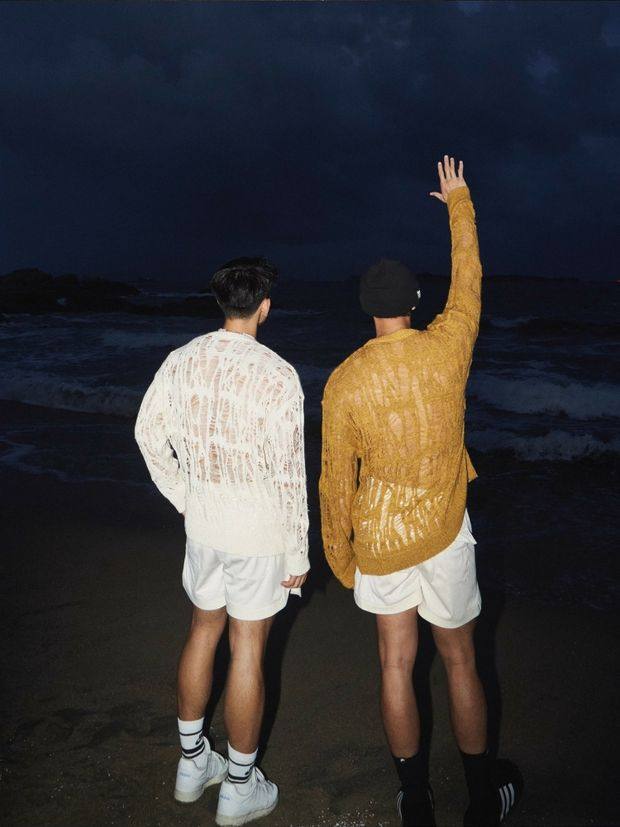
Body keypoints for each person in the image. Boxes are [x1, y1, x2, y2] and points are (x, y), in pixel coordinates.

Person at [319, 158, 522, 827]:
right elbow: (469, 283)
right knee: (461, 660)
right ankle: (482, 800)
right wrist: (459, 203)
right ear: (413, 303)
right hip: (443, 530)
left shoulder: (345, 380)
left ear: (368, 310)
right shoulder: (446, 347)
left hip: (380, 542)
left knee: (395, 666)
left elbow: (333, 482)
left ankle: (415, 801)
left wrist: (341, 559)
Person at [135, 257, 309, 826]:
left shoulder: (182, 359)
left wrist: (184, 494)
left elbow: (146, 433)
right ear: (264, 307)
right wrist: (299, 550)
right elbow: (289, 474)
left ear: (222, 303)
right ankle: (237, 785)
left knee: (203, 630)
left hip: (204, 528)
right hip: (257, 534)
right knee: (249, 648)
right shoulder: (278, 375)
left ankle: (192, 765)